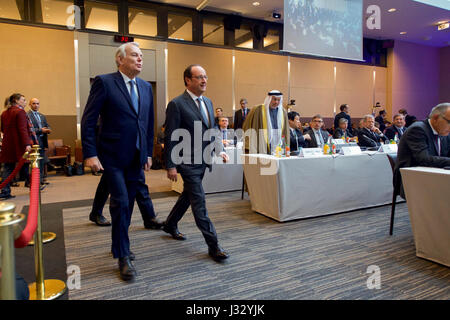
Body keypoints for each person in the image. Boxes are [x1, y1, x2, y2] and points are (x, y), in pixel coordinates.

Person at [81, 42, 154, 282]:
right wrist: (90, 154)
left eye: (142, 56)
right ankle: (123, 255)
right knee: (120, 202)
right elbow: (89, 120)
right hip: (111, 156)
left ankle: (118, 245)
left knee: (129, 203)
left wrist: (148, 153)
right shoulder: (104, 82)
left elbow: (148, 124)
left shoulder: (145, 87)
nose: (140, 59)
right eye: (135, 55)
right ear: (120, 60)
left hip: (136, 157)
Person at [164, 64, 229, 262]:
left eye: (205, 76)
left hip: (203, 160)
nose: (204, 80)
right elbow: (171, 137)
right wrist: (171, 164)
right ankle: (213, 246)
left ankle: (170, 223)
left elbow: (213, 130)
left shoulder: (208, 102)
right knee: (199, 201)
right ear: (188, 80)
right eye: (199, 77)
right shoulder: (176, 104)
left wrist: (220, 149)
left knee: (188, 196)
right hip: (187, 162)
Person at [395, 103, 450, 197]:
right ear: (436, 118)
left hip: (435, 176)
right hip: (412, 180)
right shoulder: (417, 129)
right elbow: (424, 159)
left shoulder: (443, 131)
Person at [89, 170, 164, 231]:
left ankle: (149, 217)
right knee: (108, 180)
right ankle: (96, 213)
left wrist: (148, 155)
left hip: (135, 154)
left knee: (139, 182)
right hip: (114, 154)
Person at [0, 94, 33, 199]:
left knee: (7, 168)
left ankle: (5, 191)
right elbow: (23, 129)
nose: (25, 102)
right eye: (23, 100)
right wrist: (27, 144)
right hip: (19, 145)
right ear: (16, 101)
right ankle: (33, 186)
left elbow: (3, 130)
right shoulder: (20, 112)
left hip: (7, 145)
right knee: (25, 166)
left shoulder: (4, 113)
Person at [27, 98, 51, 186]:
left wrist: (48, 129)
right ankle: (31, 182)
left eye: (37, 103)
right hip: (33, 141)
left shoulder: (42, 116)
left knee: (41, 162)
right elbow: (29, 129)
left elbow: (47, 126)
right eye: (34, 103)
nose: (36, 105)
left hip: (42, 141)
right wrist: (40, 130)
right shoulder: (27, 115)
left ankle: (40, 180)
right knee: (33, 163)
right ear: (30, 105)